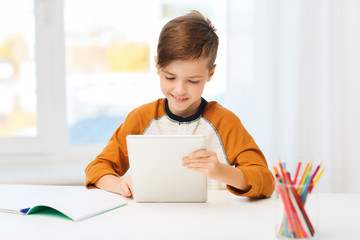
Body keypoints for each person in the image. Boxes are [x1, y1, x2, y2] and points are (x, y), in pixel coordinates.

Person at [85, 10, 275, 198]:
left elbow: (266, 181)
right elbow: (97, 169)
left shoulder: (225, 122)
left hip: (212, 223)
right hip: (153, 222)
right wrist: (120, 185)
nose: (180, 90)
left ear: (210, 74)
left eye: (193, 81)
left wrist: (222, 172)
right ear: (157, 66)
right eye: (170, 77)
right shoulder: (141, 118)